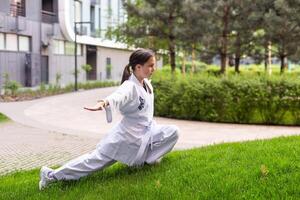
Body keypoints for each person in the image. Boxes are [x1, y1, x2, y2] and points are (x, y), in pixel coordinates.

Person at [39, 48, 179, 190]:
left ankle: (148, 161)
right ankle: (51, 176)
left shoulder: (147, 84)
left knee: (173, 132)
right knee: (93, 161)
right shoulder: (129, 86)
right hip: (125, 138)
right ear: (138, 67)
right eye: (150, 65)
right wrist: (104, 103)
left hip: (146, 132)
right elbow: (118, 96)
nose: (153, 69)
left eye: (153, 65)